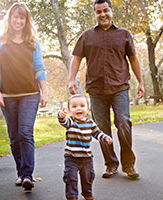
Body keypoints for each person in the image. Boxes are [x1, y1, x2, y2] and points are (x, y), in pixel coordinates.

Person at [68, 0, 144, 179]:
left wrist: (141, 82)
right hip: (96, 89)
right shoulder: (87, 36)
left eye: (105, 11)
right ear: (95, 14)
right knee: (102, 128)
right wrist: (72, 79)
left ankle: (128, 165)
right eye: (98, 12)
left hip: (119, 87)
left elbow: (133, 59)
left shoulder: (124, 34)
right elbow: (76, 58)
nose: (102, 15)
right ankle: (110, 164)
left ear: (111, 11)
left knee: (123, 123)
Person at [0, 3, 47, 191]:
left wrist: (44, 91)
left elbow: (39, 68)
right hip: (7, 95)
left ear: (26, 20)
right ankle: (21, 173)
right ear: (10, 18)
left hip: (30, 94)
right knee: (14, 136)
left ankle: (27, 175)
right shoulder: (0, 41)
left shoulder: (33, 41)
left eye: (22, 18)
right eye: (16, 17)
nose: (19, 21)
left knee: (25, 132)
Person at [58, 94, 113, 200]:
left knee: (88, 177)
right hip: (71, 157)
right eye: (74, 107)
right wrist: (61, 116)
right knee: (71, 178)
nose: (78, 108)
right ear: (69, 110)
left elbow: (97, 133)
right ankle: (72, 196)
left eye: (82, 106)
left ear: (87, 109)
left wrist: (105, 138)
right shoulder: (70, 121)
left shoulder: (90, 123)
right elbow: (63, 122)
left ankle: (87, 193)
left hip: (86, 157)